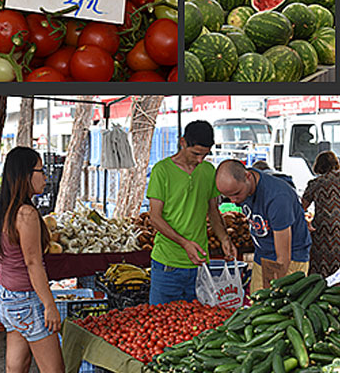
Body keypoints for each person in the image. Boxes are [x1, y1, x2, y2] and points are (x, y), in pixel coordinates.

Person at [146, 121, 236, 305]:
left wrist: (224, 238)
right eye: (196, 154)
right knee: (162, 324)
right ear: (182, 143)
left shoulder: (208, 170)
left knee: (199, 325)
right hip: (167, 266)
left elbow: (213, 211)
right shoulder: (161, 171)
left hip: (200, 266)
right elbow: (155, 218)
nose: (200, 160)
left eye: (205, 155)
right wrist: (185, 243)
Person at [0, 147, 62, 373]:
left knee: (17, 366)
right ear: (25, 175)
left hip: (7, 298)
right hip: (27, 299)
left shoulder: (4, 210)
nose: (45, 177)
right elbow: (33, 264)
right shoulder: (26, 214)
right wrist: (49, 305)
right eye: (40, 171)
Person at [216, 159, 312, 290]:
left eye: (237, 194)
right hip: (263, 255)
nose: (233, 201)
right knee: (256, 303)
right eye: (228, 196)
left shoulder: (277, 197)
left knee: (279, 305)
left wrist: (275, 290)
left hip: (291, 258)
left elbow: (283, 257)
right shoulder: (243, 184)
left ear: (248, 176)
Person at [300, 151, 340, 278]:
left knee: (321, 266)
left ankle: (322, 291)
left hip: (323, 230)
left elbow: (302, 207)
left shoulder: (316, 183)